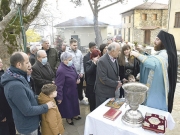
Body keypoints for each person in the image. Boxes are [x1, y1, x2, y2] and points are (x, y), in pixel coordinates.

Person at [1, 52, 56, 135]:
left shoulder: (18, 77)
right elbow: (27, 110)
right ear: (19, 64)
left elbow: (30, 96)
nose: (29, 65)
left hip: (32, 123)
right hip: (28, 127)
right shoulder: (15, 86)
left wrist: (43, 98)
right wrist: (46, 106)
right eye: (27, 62)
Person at [130, 30, 177, 112]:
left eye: (157, 39)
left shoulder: (165, 54)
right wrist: (142, 52)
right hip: (157, 86)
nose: (154, 42)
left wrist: (137, 54)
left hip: (158, 90)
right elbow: (152, 58)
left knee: (154, 112)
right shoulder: (163, 53)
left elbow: (152, 63)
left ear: (164, 42)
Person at [56, 52, 81, 125]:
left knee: (75, 103)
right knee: (68, 106)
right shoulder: (61, 70)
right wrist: (59, 97)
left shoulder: (71, 65)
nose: (71, 61)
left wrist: (78, 78)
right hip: (66, 91)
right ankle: (69, 118)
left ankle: (75, 115)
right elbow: (59, 85)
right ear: (64, 60)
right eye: (70, 59)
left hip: (73, 89)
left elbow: (76, 74)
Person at [95, 42, 122, 107]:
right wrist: (116, 84)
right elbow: (103, 79)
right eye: (118, 50)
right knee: (102, 112)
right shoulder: (102, 61)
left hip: (111, 91)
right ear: (113, 51)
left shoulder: (114, 58)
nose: (119, 52)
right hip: (103, 93)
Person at [67, 38, 88, 105]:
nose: (75, 46)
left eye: (76, 45)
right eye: (74, 45)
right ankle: (75, 100)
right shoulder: (67, 53)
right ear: (70, 45)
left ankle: (81, 99)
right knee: (73, 88)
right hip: (72, 74)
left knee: (80, 87)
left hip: (80, 73)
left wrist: (82, 72)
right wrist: (74, 74)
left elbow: (82, 62)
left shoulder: (79, 52)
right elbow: (67, 64)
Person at [0, 58, 16, 135]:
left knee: (11, 129)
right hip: (3, 113)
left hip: (9, 110)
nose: (1, 64)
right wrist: (1, 115)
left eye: (1, 62)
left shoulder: (4, 74)